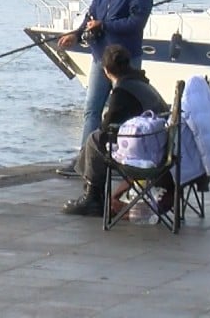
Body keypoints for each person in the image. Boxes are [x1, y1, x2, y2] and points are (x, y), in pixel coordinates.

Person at [56, 0, 153, 176]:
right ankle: (85, 161)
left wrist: (105, 25)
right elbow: (91, 15)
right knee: (92, 109)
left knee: (124, 112)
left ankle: (125, 159)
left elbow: (136, 22)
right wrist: (76, 34)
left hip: (126, 61)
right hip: (100, 57)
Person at [61, 44, 168, 216]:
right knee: (97, 140)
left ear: (106, 70)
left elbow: (107, 129)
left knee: (94, 140)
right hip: (161, 147)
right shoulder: (142, 83)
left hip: (144, 154)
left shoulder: (122, 91)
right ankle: (92, 193)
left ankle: (93, 197)